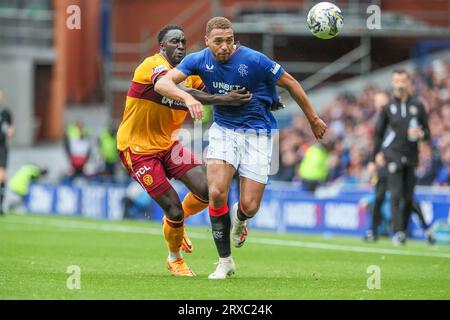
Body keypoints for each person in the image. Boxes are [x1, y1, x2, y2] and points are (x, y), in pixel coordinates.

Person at [155, 17, 327, 279]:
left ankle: (241, 219)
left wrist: (313, 119)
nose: (224, 46)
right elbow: (163, 84)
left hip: (258, 134)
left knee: (249, 205)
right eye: (218, 41)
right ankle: (225, 261)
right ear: (207, 41)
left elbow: (290, 83)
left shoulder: (255, 60)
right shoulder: (199, 59)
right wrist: (188, 97)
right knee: (216, 192)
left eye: (229, 40)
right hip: (223, 131)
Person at [116, 24, 252, 277]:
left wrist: (257, 92)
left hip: (169, 145)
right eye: (174, 42)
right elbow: (169, 88)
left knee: (206, 191)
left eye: (183, 42)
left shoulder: (190, 74)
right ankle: (174, 257)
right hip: (137, 149)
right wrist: (196, 98)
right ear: (162, 47)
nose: (180, 46)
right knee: (174, 210)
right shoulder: (151, 65)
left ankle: (176, 224)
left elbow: (216, 86)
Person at [371, 69, 431, 245]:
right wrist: (374, 157)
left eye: (403, 81)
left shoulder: (418, 106)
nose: (400, 84)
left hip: (411, 157)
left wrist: (421, 134)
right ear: (392, 83)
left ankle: (402, 231)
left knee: (408, 198)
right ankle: (397, 232)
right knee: (395, 195)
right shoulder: (388, 107)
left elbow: (427, 132)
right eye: (397, 81)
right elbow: (379, 134)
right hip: (393, 156)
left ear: (408, 83)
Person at [0, 90, 14, 215]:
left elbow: (10, 130)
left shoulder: (5, 114)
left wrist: (9, 133)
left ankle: (0, 204)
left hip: (2, 148)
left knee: (2, 176)